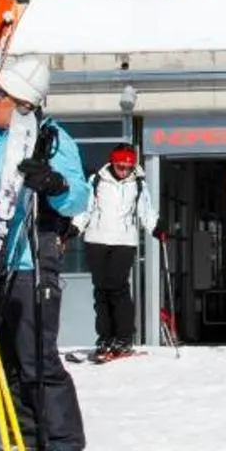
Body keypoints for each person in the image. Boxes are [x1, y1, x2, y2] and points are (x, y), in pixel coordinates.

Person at [0, 54, 91, 451]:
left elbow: (78, 196)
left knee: (38, 358)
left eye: (0, 96)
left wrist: (54, 183)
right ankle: (24, 438)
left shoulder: (54, 140)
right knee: (5, 361)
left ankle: (64, 446)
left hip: (32, 261)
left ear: (23, 102)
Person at [79, 143, 151, 358]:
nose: (124, 171)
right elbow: (86, 208)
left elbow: (146, 211)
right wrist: (75, 227)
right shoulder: (96, 181)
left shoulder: (138, 184)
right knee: (101, 290)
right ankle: (105, 337)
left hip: (124, 241)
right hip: (97, 239)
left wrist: (156, 227)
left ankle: (124, 337)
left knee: (117, 287)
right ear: (112, 163)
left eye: (128, 167)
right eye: (120, 166)